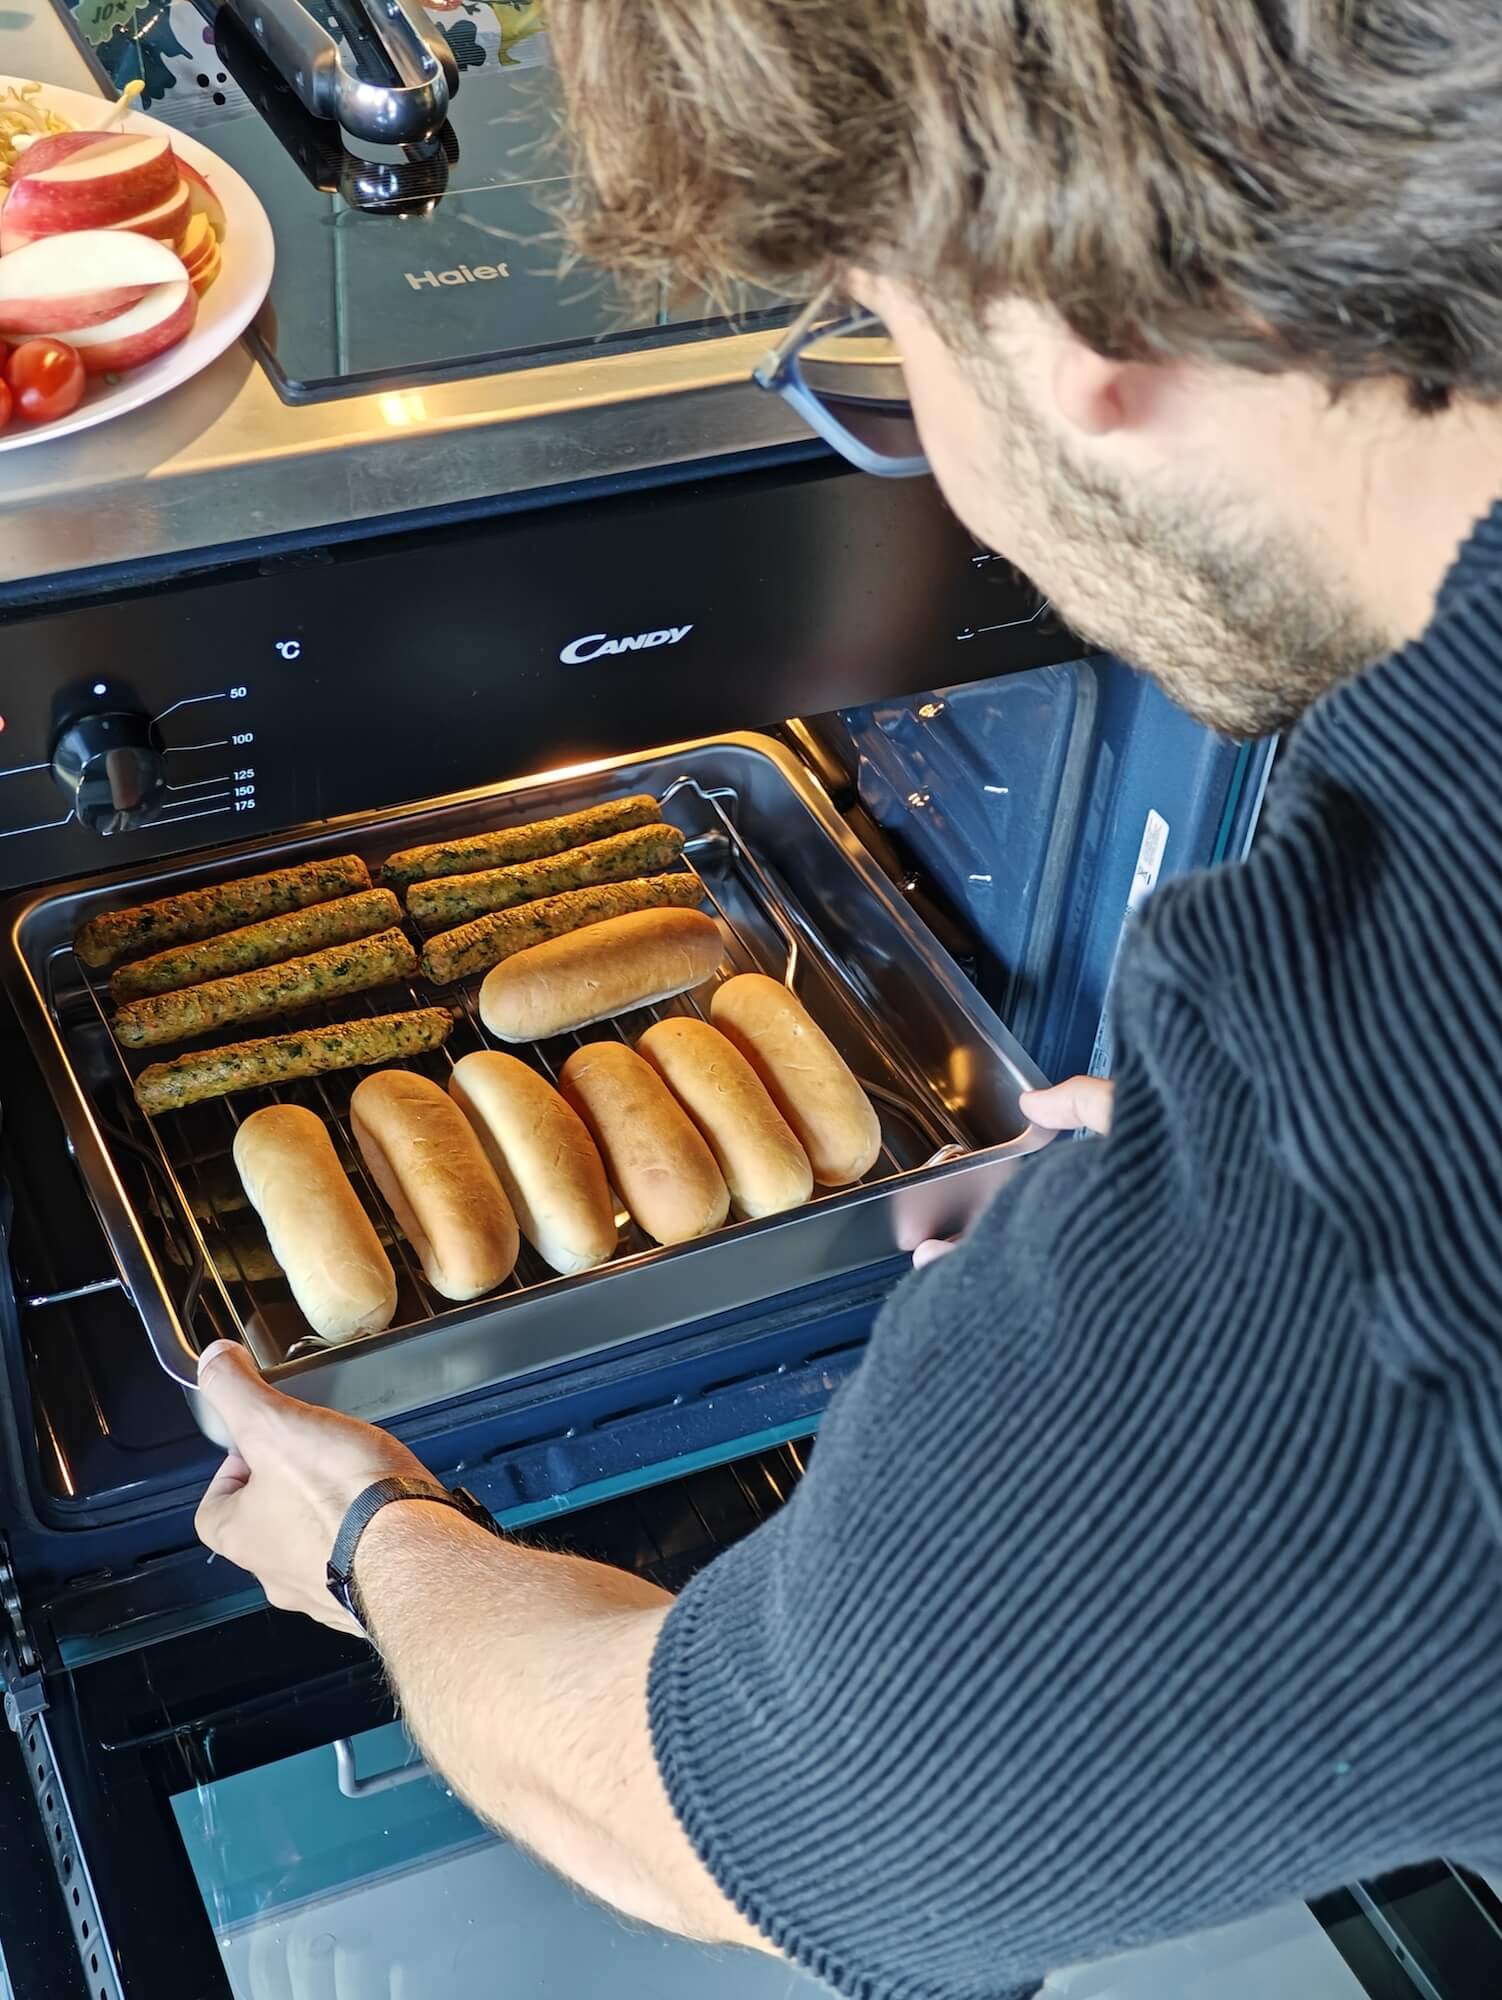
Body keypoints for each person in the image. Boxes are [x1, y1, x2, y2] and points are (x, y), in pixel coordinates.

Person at [194, 4, 1502, 1996]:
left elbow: (698, 1811)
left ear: (1084, 328)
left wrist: (370, 1532)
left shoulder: (1368, 1207)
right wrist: (1191, 1228)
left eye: (869, 337)